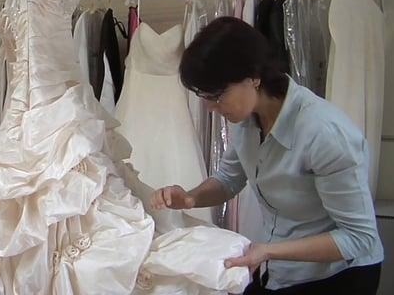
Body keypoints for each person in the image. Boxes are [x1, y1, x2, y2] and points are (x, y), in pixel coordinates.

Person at [150, 17, 383, 294]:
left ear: (253, 77)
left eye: (216, 95)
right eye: (204, 95)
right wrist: (191, 197)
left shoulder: (324, 133)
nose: (211, 107)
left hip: (339, 274)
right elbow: (228, 179)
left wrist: (269, 251)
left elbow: (359, 238)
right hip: (281, 267)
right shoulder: (247, 120)